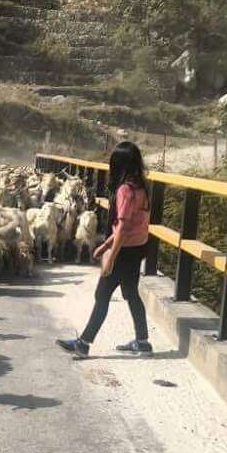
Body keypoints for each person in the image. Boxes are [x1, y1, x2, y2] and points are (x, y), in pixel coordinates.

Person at [56, 141, 152, 358]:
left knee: (102, 294)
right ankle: (143, 342)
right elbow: (130, 225)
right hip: (137, 248)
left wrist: (111, 257)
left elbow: (124, 226)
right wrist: (105, 245)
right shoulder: (142, 187)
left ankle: (83, 343)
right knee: (131, 294)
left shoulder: (125, 190)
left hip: (125, 251)